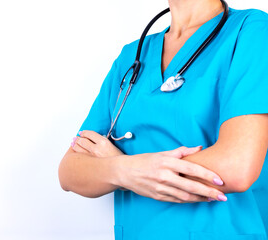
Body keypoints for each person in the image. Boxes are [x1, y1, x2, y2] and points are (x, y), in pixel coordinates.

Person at [58, 0, 268, 239]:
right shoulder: (132, 55)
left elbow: (236, 166)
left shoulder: (252, 31)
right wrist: (126, 171)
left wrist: (121, 170)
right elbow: (70, 170)